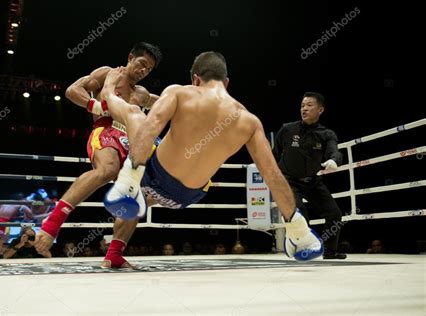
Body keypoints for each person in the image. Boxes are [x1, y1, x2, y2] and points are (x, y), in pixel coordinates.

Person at [101, 51, 324, 264]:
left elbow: (149, 129)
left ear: (196, 79)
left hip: (154, 176)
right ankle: (300, 232)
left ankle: (129, 184)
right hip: (189, 196)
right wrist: (296, 227)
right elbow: (273, 176)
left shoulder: (179, 92)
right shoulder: (249, 121)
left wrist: (110, 87)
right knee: (273, 177)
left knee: (136, 116)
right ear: (226, 82)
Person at [34, 42, 162, 268]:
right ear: (130, 57)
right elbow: (73, 90)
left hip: (132, 142)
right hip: (106, 131)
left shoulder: (142, 94)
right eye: (142, 64)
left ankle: (114, 255)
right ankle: (52, 222)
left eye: (149, 69)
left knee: (135, 197)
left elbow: (167, 102)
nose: (144, 71)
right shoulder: (108, 74)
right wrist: (95, 106)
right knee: (107, 169)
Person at [272, 92, 346, 260]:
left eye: (309, 105)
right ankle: (304, 249)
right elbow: (274, 154)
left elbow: (335, 151)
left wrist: (334, 161)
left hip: (313, 181)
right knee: (300, 216)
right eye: (302, 105)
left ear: (320, 109)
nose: (304, 109)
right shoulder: (287, 129)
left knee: (334, 214)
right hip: (289, 181)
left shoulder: (327, 134)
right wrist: (275, 179)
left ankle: (329, 251)